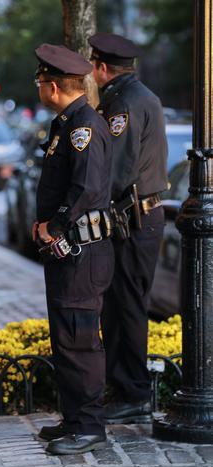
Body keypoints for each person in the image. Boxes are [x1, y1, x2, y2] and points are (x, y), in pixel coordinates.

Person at [30, 44, 114, 455]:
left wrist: (54, 225)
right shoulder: (66, 123)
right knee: (65, 337)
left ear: (53, 85)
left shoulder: (84, 126)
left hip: (82, 249)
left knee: (80, 339)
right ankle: (75, 418)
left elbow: (86, 188)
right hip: (67, 251)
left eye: (41, 82)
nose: (39, 89)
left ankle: (90, 425)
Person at [89, 33, 168, 424]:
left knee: (127, 307)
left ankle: (132, 392)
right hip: (139, 216)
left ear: (102, 68)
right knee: (122, 306)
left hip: (134, 218)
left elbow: (115, 168)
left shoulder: (123, 102)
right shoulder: (139, 95)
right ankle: (124, 387)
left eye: (93, 66)